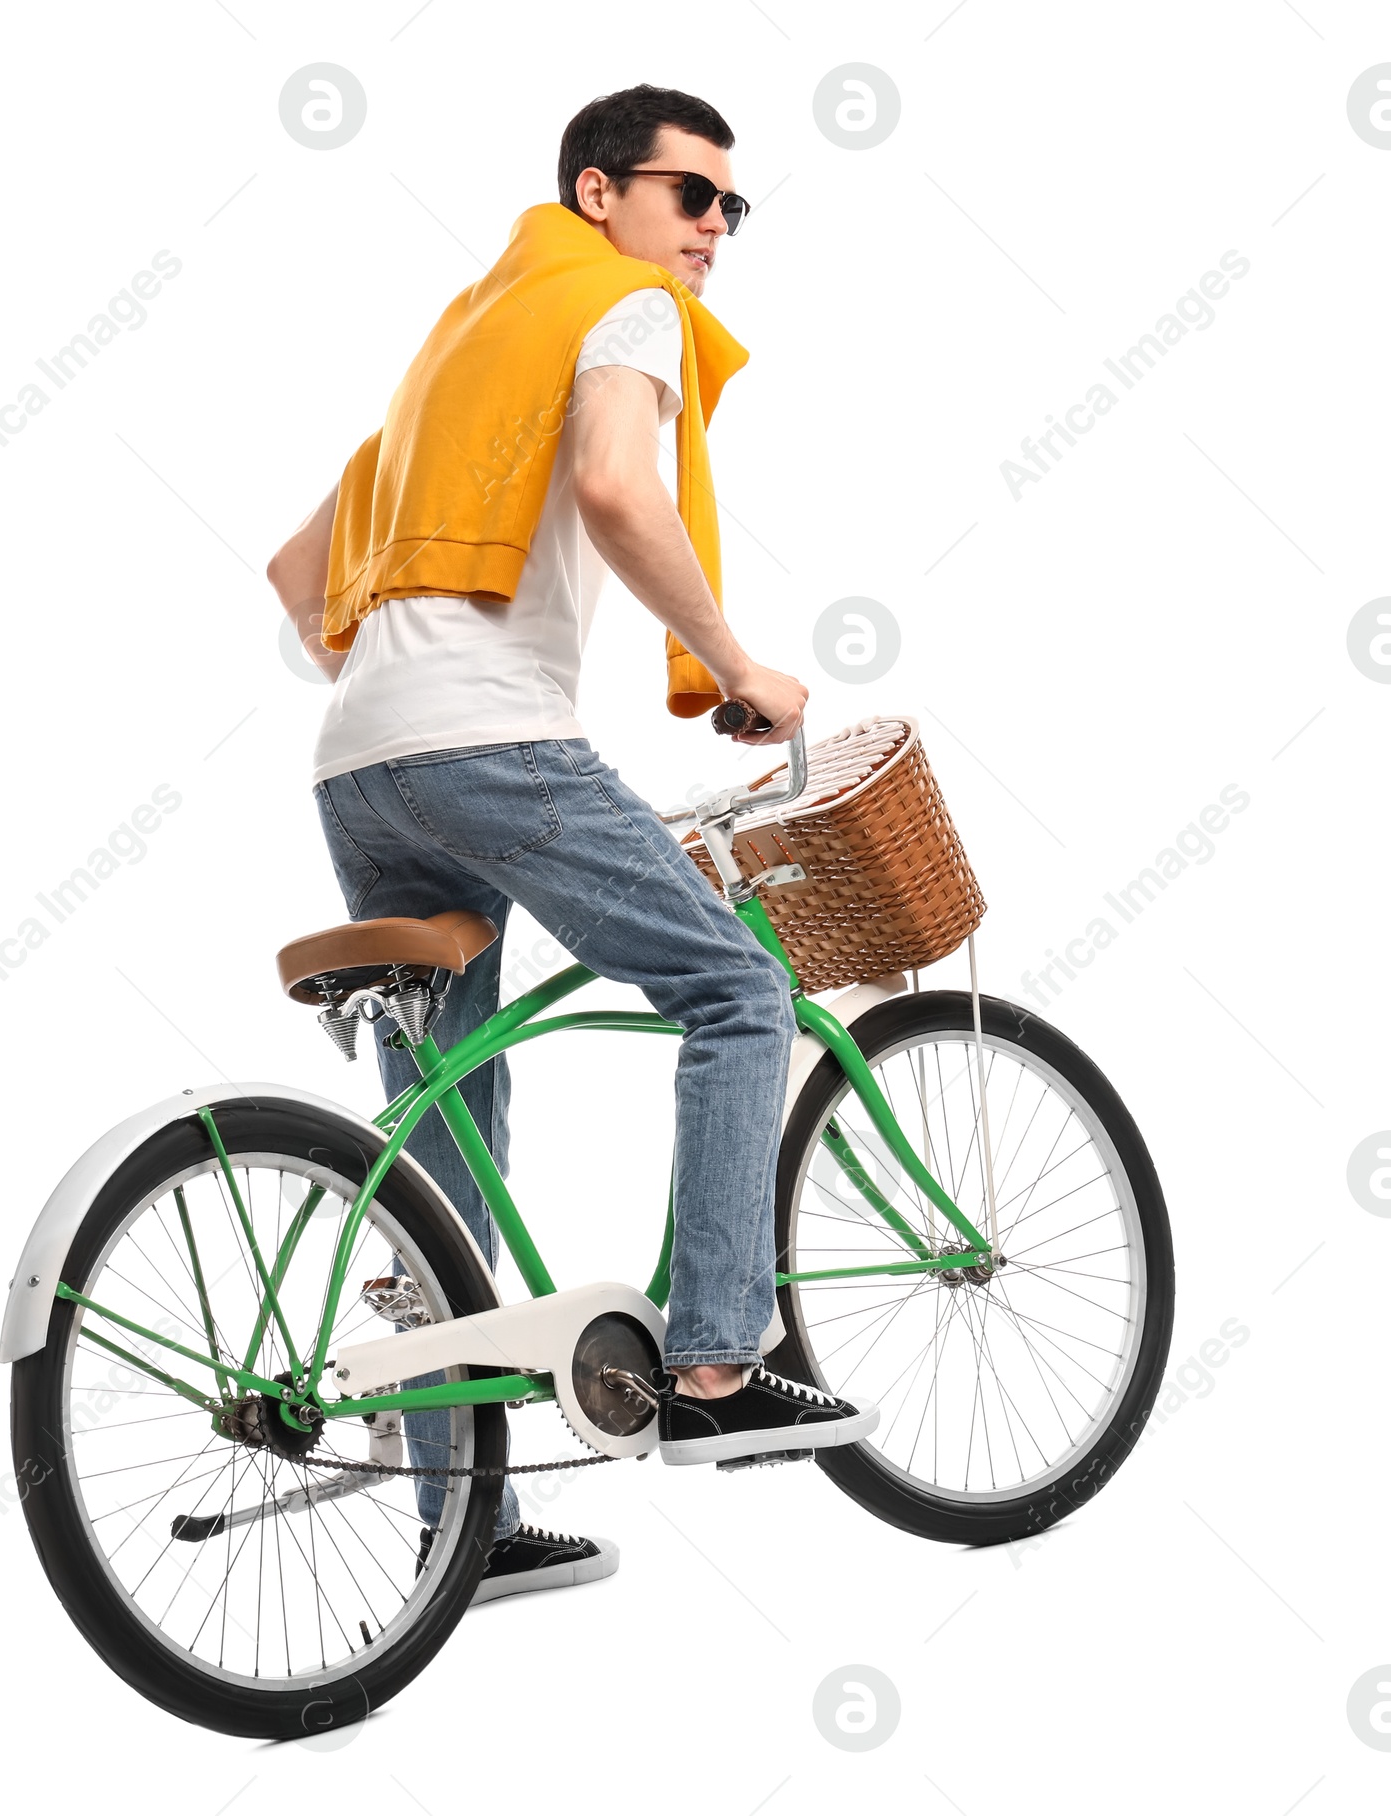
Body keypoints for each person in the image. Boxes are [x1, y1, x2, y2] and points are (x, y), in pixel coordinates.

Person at [266, 84, 872, 1607]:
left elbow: (295, 574)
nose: (717, 229)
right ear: (600, 193)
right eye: (694, 196)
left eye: (735, 206)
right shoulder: (621, 307)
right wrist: (739, 664)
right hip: (489, 747)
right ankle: (721, 1367)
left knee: (447, 1136)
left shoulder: (463, 342)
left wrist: (405, 677)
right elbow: (613, 484)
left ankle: (452, 1528)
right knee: (739, 994)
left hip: (359, 764)